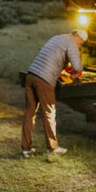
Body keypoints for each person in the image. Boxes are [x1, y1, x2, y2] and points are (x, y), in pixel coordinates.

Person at [22, 29, 86, 157]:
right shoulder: (71, 43)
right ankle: (52, 148)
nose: (79, 46)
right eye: (81, 43)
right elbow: (77, 66)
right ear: (78, 38)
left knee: (30, 113)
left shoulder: (57, 37)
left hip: (31, 75)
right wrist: (75, 73)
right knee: (49, 113)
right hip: (44, 80)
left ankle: (26, 149)